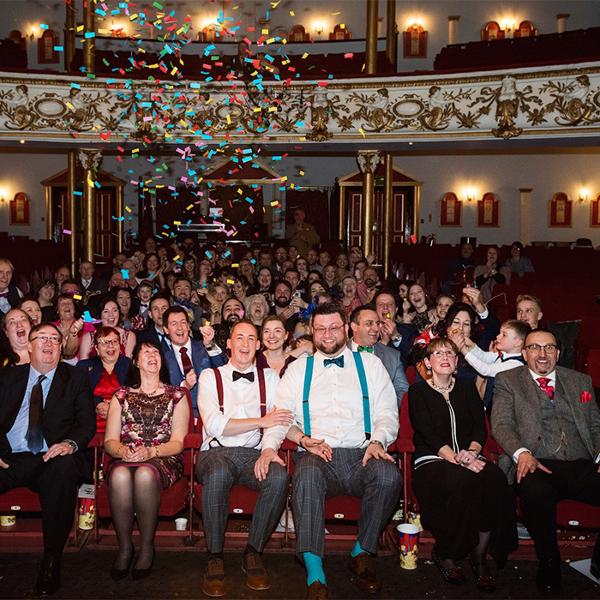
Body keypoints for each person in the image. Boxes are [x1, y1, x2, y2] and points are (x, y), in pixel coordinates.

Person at [265, 303, 401, 598]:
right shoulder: (298, 369)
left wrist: (378, 440)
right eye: (321, 328)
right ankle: (315, 572)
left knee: (390, 476)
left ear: (347, 328)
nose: (328, 334)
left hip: (361, 453)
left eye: (334, 327)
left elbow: (388, 412)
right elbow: (281, 416)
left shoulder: (370, 365)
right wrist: (296, 441)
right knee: (307, 476)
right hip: (317, 453)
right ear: (312, 331)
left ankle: (361, 551)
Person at [491, 329, 600, 594]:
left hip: (580, 463)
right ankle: (549, 563)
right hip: (535, 462)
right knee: (535, 491)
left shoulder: (580, 381)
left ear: (558, 353)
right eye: (535, 348)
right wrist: (521, 453)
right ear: (525, 353)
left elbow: (596, 425)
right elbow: (501, 424)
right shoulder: (508, 380)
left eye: (549, 348)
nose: (542, 354)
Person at [409, 338, 517, 592]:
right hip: (433, 459)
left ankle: (479, 556)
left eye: (450, 353)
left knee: (495, 479)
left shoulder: (467, 388)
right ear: (427, 363)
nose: (445, 357)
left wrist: (471, 453)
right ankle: (447, 552)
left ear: (457, 362)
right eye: (438, 353)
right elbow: (427, 434)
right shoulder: (418, 392)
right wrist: (456, 459)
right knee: (461, 481)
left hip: (469, 456)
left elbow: (481, 427)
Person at [196, 320, 290, 597]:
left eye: (251, 338)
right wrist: (262, 419)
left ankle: (253, 551)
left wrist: (268, 449)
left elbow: (280, 420)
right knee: (218, 474)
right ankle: (214, 556)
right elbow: (216, 425)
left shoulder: (271, 378)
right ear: (228, 343)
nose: (245, 344)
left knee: (278, 475)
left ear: (259, 345)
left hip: (254, 453)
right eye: (240, 338)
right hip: (215, 451)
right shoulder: (209, 377)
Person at [0, 323, 95, 595]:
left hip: (49, 457)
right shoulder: (8, 377)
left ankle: (52, 560)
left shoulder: (74, 377)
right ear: (29, 346)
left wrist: (69, 443)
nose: (49, 343)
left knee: (63, 470)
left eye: (55, 338)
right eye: (42, 338)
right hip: (10, 457)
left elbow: (86, 423)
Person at [104, 340, 189, 580]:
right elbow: (109, 441)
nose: (153, 356)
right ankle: (124, 547)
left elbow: (178, 443)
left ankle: (147, 546)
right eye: (146, 352)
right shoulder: (120, 395)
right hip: (127, 455)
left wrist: (151, 452)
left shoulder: (177, 395)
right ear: (136, 361)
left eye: (156, 352)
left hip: (164, 457)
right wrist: (123, 451)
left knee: (144, 473)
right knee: (120, 474)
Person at [452, 319, 530, 409]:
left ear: (518, 342)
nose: (498, 336)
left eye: (504, 335)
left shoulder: (515, 365)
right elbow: (484, 357)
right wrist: (471, 345)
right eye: (499, 333)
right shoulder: (502, 355)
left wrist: (463, 350)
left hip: (499, 408)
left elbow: (485, 370)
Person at [162, 306, 227, 414]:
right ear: (166, 329)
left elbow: (224, 370)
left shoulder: (205, 347)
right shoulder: (162, 359)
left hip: (212, 412)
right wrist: (184, 386)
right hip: (179, 416)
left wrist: (209, 345)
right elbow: (163, 391)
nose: (180, 328)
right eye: (174, 324)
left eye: (183, 322)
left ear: (188, 326)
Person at [349, 306, 409, 408]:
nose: (376, 329)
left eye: (377, 324)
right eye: (369, 323)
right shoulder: (339, 352)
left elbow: (403, 390)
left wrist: (386, 411)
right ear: (354, 326)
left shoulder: (392, 355)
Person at [77, 326, 131, 434]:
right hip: (91, 424)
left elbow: (139, 393)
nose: (110, 346)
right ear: (97, 348)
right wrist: (97, 404)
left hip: (125, 425)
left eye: (114, 341)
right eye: (104, 343)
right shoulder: (84, 367)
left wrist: (116, 405)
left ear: (120, 346)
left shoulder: (130, 366)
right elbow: (78, 395)